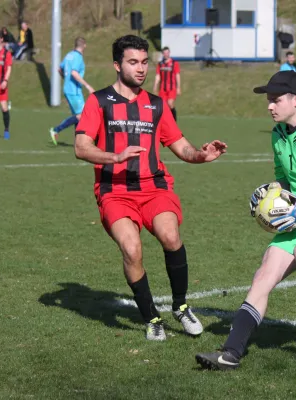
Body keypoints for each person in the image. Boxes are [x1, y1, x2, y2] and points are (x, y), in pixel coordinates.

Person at [195, 71, 296, 370]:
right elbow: (284, 180)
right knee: (263, 276)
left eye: (276, 100)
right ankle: (231, 353)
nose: (269, 106)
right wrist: (267, 197)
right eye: (268, 101)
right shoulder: (278, 133)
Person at [74, 35, 227, 341]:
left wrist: (202, 154)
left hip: (154, 188)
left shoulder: (156, 105)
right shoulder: (99, 102)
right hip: (114, 190)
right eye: (133, 62)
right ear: (117, 65)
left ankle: (181, 307)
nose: (141, 68)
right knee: (131, 249)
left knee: (171, 237)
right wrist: (114, 156)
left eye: (145, 62)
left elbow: (181, 147)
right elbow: (81, 147)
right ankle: (152, 318)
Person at [49, 37, 94, 145]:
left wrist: (66, 80)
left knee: (78, 116)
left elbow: (60, 69)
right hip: (74, 90)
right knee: (82, 115)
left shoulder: (69, 55)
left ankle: (77, 142)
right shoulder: (78, 57)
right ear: (84, 46)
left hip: (69, 89)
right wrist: (87, 86)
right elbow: (74, 73)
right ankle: (56, 130)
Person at [153, 46, 180, 121]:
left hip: (172, 88)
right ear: (162, 54)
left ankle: (174, 121)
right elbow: (158, 76)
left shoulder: (174, 63)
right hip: (162, 89)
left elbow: (177, 75)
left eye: (167, 52)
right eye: (164, 53)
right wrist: (155, 86)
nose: (166, 54)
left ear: (169, 53)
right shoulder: (160, 64)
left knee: (170, 103)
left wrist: (178, 87)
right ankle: (165, 122)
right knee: (163, 106)